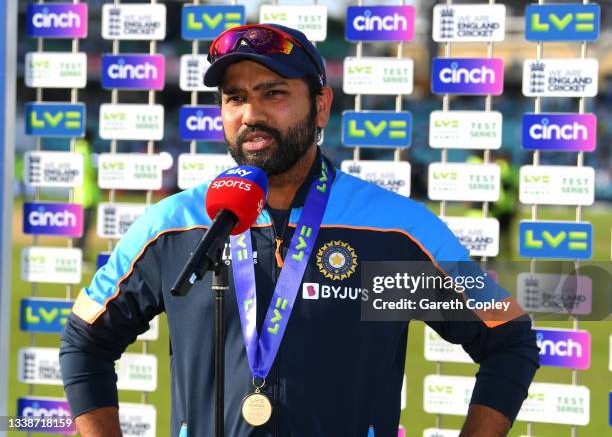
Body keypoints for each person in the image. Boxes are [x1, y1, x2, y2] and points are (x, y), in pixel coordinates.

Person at [60, 24, 539, 437]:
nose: (251, 115)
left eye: (274, 93)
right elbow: (85, 343)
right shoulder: (175, 224)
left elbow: (508, 339)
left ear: (322, 105)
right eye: (235, 99)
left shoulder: (394, 230)